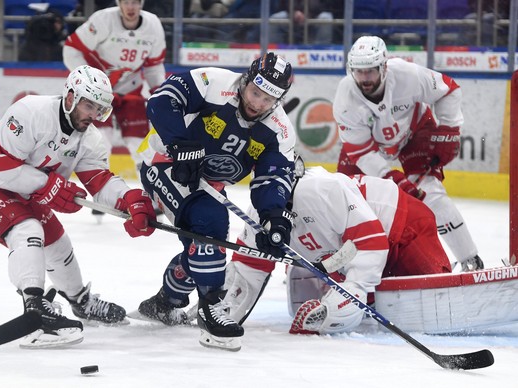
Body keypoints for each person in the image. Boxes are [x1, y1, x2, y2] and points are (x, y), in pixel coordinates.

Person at [0, 65, 156, 349]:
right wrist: (49, 186)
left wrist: (128, 199)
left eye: (100, 109)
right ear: (70, 97)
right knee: (27, 230)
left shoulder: (91, 139)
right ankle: (35, 314)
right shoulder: (31, 112)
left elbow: (99, 180)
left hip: (20, 183)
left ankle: (80, 302)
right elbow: (4, 171)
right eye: (89, 105)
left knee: (57, 243)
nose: (94, 115)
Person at [136, 53, 295, 351]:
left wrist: (274, 215)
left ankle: (165, 301)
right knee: (211, 222)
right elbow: (161, 101)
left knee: (206, 244)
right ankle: (210, 308)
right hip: (164, 161)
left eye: (267, 99)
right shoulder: (213, 82)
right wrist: (181, 143)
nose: (257, 103)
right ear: (246, 80)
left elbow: (272, 179)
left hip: (207, 185)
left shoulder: (280, 130)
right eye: (255, 92)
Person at [222, 162, 452, 335]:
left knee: (438, 303)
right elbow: (248, 267)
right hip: (349, 248)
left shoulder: (321, 190)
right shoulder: (258, 214)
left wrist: (353, 291)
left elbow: (370, 242)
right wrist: (221, 309)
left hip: (404, 225)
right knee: (381, 303)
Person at [333, 35, 483, 272]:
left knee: (430, 193)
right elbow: (361, 151)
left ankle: (471, 260)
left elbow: (449, 89)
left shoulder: (407, 75)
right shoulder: (345, 97)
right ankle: (332, 265)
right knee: (346, 200)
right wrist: (388, 176)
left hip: (415, 133)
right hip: (370, 149)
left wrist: (448, 130)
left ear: (384, 66)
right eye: (358, 71)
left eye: (370, 71)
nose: (364, 78)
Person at [63, 0, 167, 172]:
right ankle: (99, 177)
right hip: (97, 90)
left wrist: (159, 92)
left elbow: (154, 65)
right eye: (126, 2)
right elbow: (71, 49)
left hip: (130, 87)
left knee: (138, 140)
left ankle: (150, 179)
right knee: (100, 138)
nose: (131, 7)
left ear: (142, 3)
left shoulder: (153, 24)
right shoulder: (103, 19)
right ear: (119, 2)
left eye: (135, 2)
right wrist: (89, 82)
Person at [269, 0, 344, 45]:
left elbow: (327, 6)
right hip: (292, 17)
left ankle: (321, 51)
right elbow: (283, 4)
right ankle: (273, 52)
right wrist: (294, 13)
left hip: (314, 17)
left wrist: (308, 14)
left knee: (326, 17)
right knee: (276, 18)